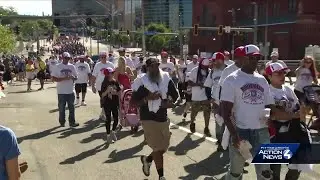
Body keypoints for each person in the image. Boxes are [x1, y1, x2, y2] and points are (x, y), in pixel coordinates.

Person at [221, 44, 273, 180]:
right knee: (236, 173)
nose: (255, 61)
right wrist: (234, 135)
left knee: (265, 174)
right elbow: (225, 112)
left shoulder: (262, 80)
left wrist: (270, 119)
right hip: (241, 131)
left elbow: (269, 105)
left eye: (258, 58)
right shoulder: (231, 79)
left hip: (261, 132)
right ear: (243, 58)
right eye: (251, 58)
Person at [131, 58, 179, 180]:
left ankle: (147, 160)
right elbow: (133, 103)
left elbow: (177, 96)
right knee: (158, 148)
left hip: (162, 118)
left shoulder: (166, 78)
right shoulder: (141, 82)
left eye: (157, 65)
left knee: (163, 147)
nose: (156, 68)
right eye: (152, 66)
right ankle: (161, 176)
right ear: (147, 68)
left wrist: (171, 103)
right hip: (148, 119)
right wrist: (147, 98)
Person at [264, 62, 302, 180]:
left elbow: (299, 109)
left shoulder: (288, 90)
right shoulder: (266, 92)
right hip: (272, 133)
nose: (282, 76)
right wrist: (292, 115)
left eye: (284, 73)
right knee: (273, 171)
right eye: (278, 73)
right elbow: (274, 115)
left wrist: (291, 115)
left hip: (290, 132)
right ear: (269, 76)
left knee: (297, 165)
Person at [204, 52, 226, 150]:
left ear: (221, 60)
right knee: (219, 123)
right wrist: (210, 98)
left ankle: (228, 143)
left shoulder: (229, 70)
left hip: (229, 103)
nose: (214, 63)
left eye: (215, 61)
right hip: (217, 102)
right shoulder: (212, 72)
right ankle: (220, 141)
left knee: (230, 124)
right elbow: (207, 86)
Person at [51, 52, 79, 127]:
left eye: (68, 58)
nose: (67, 60)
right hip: (61, 91)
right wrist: (64, 78)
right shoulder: (57, 66)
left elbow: (76, 77)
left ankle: (72, 122)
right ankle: (62, 122)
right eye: (65, 58)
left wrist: (73, 77)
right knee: (62, 108)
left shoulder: (72, 66)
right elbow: (53, 78)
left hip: (70, 90)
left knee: (72, 108)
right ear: (62, 58)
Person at [188, 58, 212, 136]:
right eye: (204, 66)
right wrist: (198, 84)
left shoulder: (210, 71)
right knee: (194, 112)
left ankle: (206, 128)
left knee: (207, 113)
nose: (205, 68)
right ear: (201, 64)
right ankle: (192, 123)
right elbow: (189, 82)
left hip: (206, 97)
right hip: (196, 97)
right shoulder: (194, 70)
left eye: (206, 66)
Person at [91, 51, 115, 120]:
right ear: (100, 58)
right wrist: (93, 86)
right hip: (100, 86)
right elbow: (94, 76)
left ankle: (103, 114)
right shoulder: (98, 65)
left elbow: (114, 74)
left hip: (109, 85)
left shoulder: (110, 64)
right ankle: (103, 114)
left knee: (108, 100)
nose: (103, 58)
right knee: (104, 99)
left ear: (107, 57)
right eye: (102, 57)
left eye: (105, 57)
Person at [294, 56, 318, 124]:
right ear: (303, 62)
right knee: (302, 108)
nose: (308, 64)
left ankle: (301, 120)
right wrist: (301, 65)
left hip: (307, 91)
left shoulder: (312, 71)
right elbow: (296, 72)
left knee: (307, 109)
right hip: (299, 90)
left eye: (309, 62)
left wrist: (313, 83)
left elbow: (315, 81)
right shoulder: (301, 69)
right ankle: (302, 124)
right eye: (306, 62)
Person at [100, 67, 121, 144]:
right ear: (107, 75)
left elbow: (119, 92)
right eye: (111, 73)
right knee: (108, 119)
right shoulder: (104, 83)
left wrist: (114, 92)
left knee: (116, 118)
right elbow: (102, 95)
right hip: (107, 104)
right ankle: (108, 135)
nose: (113, 74)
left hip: (115, 103)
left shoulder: (115, 82)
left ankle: (113, 131)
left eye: (113, 72)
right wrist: (107, 91)